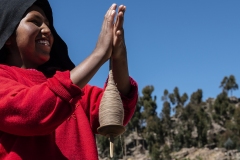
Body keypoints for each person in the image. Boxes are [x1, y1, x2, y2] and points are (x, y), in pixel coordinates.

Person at [0, 0, 138, 159]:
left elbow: (117, 108)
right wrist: (98, 54)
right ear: (8, 35)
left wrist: (118, 56)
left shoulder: (73, 90)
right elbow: (32, 112)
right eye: (35, 22)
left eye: (47, 25)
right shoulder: (3, 79)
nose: (46, 30)